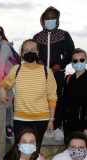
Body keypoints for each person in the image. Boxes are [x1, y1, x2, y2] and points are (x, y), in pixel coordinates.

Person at [0, 39, 57, 150]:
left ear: (37, 52)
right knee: (20, 150)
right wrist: (2, 88)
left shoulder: (46, 71)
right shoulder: (16, 69)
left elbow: (52, 96)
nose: (30, 52)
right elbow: (6, 82)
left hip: (41, 119)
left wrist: (51, 119)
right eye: (26, 50)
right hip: (20, 118)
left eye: (33, 49)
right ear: (22, 53)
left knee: (35, 150)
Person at [33, 6, 75, 141]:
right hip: (41, 74)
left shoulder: (64, 34)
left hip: (57, 74)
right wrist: (39, 63)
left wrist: (59, 66)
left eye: (53, 18)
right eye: (47, 18)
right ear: (43, 20)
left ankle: (56, 127)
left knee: (57, 99)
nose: (50, 20)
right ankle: (44, 126)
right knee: (42, 99)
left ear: (57, 20)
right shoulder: (37, 36)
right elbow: (33, 52)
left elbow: (71, 53)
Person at [62, 48, 87, 139]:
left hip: (82, 125)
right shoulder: (68, 79)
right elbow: (64, 101)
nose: (78, 63)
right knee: (69, 149)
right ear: (71, 63)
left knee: (81, 150)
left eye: (82, 60)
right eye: (75, 61)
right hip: (68, 124)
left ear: (86, 61)